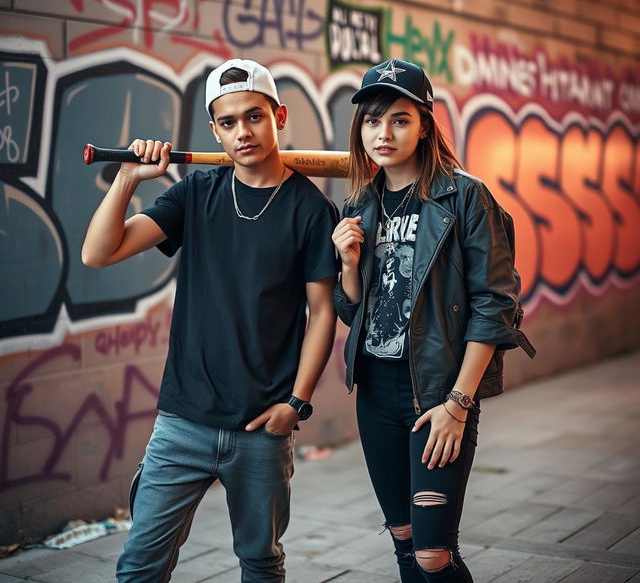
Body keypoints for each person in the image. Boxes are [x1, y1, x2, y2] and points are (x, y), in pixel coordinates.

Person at [82, 58, 338, 582]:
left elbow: (323, 313)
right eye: (228, 122)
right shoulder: (195, 195)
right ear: (214, 130)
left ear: (279, 116)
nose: (242, 132)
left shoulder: (311, 210)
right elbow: (98, 252)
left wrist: (296, 403)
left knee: (261, 563)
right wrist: (129, 178)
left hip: (262, 426)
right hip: (183, 423)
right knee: (139, 566)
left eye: (254, 116)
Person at [331, 58, 535, 582]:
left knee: (433, 555)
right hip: (376, 392)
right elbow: (353, 311)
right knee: (403, 543)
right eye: (373, 120)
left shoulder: (465, 197)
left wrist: (458, 405)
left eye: (399, 119)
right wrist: (350, 268)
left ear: (424, 125)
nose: (384, 132)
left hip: (437, 392)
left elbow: (495, 305)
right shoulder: (360, 202)